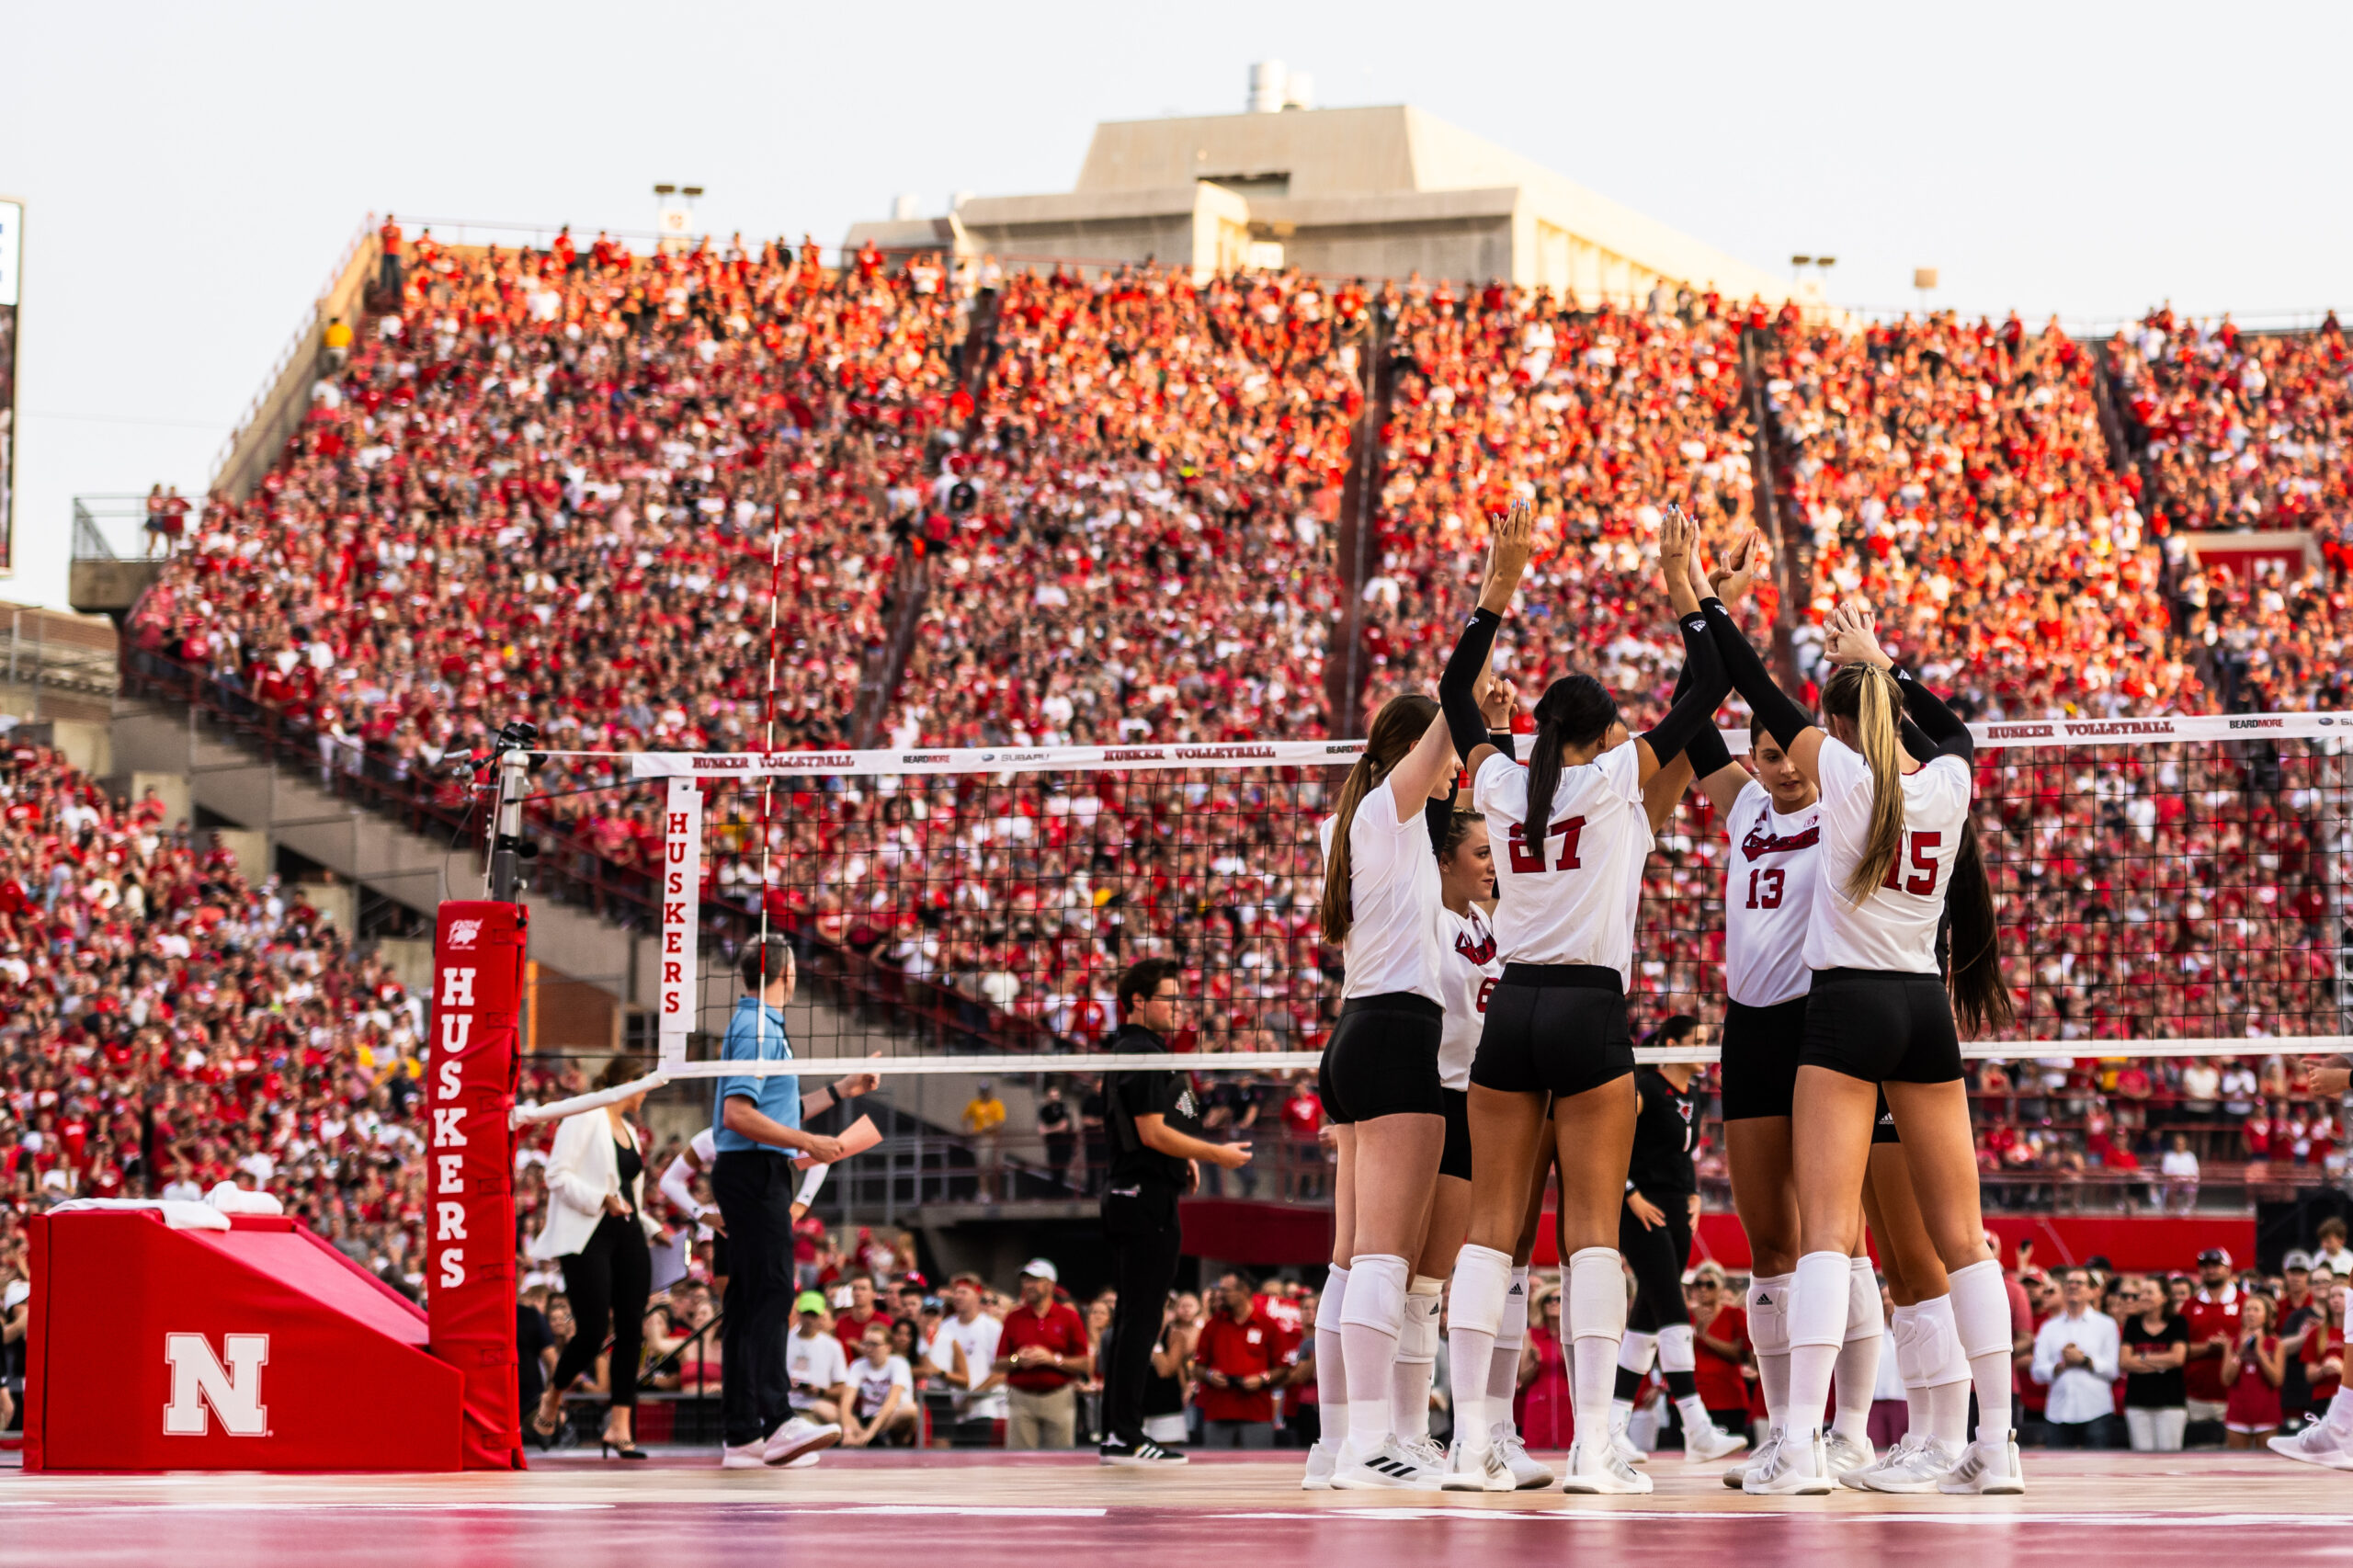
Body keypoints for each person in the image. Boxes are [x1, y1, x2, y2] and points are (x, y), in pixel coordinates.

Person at [1437, 502, 1730, 1495]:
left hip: (1509, 1010)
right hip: (1590, 1008)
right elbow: (1716, 685)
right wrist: (1690, 588)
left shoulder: (1499, 779)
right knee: (1593, 1229)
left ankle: (1470, 1440)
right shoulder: (1618, 775)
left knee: (1491, 1229)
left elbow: (1453, 696)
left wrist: (1497, 590)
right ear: (1605, 727)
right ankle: (1595, 1447)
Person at [1707, 592, 2022, 1495]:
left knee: (1820, 1240)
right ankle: (1993, 1446)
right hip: (1923, 1009)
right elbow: (1952, 730)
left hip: (1846, 1010)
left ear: (1839, 724)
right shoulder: (1946, 783)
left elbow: (1753, 685)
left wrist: (1704, 604)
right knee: (1965, 1238)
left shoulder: (1842, 774)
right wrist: (1883, 662)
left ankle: (1803, 1444)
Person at [1309, 627, 1470, 1489]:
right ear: (1411, 754)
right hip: (1395, 1033)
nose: (1449, 772)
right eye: (1437, 758)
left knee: (1351, 1262)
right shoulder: (1384, 809)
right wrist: (1490, 604)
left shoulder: (1383, 824)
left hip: (1357, 1033)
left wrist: (1494, 727)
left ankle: (1336, 1445)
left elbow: (1462, 785)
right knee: (1383, 1260)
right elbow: (1448, 722)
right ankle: (1372, 1448)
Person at [1098, 957, 1250, 1466]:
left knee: (1131, 1319)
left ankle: (1118, 1433)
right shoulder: (1139, 1052)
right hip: (1143, 1199)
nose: (1178, 1007)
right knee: (1140, 1322)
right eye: (1168, 997)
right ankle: (1124, 1434)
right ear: (1138, 1002)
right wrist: (1217, 1155)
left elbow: (1159, 1126)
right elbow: (1150, 1132)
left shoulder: (1148, 1052)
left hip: (1133, 1194)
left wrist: (1185, 1152)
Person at [710, 937, 847, 1470]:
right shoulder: (759, 1028)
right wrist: (807, 1144)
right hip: (753, 1170)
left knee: (747, 1302)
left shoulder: (764, 1027)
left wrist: (841, 1091)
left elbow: (776, 1112)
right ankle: (776, 1421)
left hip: (754, 1169)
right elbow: (738, 1115)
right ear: (785, 974)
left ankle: (743, 1433)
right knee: (769, 1293)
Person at [1608, 1020, 1747, 1464]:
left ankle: (1610, 1429)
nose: (1705, 1050)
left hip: (1677, 1209)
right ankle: (1696, 1426)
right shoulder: (1644, 1087)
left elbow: (1684, 1153)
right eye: (1697, 1042)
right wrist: (1629, 1194)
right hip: (1641, 1210)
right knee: (1672, 1309)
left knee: (1646, 1322)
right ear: (1670, 1046)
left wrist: (1693, 1194)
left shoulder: (1695, 1093)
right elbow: (1609, 1143)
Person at [528, 1055, 662, 1459]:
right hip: (588, 1233)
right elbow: (557, 1175)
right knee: (590, 1330)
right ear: (624, 1082)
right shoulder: (584, 1116)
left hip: (629, 1234)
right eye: (643, 1084)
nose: (645, 1094)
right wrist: (599, 1199)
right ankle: (553, 1396)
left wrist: (655, 1229)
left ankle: (619, 1425)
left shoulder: (631, 1131)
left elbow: (630, 1195)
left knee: (632, 1329)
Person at [998, 1257, 1092, 1448]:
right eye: (1026, 1280)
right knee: (1018, 1462)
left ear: (1050, 1285)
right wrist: (1017, 1359)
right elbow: (998, 1362)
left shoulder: (1069, 1318)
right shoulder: (1014, 1317)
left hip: (1058, 1396)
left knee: (1060, 1461)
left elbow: (1085, 1363)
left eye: (1034, 1280)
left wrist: (1053, 1359)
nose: (1028, 1285)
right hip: (1021, 1398)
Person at [2029, 1267, 2121, 1449]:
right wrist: (2060, 1366)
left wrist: (2085, 1361)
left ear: (2091, 1291)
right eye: (2069, 1283)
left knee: (2098, 1471)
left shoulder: (2106, 1325)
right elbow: (2037, 1372)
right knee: (2058, 1473)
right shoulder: (2049, 1327)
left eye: (2079, 1283)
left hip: (2096, 1410)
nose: (2073, 1286)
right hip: (2058, 1411)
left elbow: (2113, 1370)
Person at [1195, 1271, 1284, 1448]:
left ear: (1243, 1291)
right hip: (1218, 1411)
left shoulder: (1268, 1326)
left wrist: (1262, 1379)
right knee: (1214, 1469)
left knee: (1259, 1470)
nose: (1218, 1295)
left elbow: (1283, 1369)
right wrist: (1210, 1375)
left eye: (1224, 1291)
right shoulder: (1212, 1326)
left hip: (1256, 1412)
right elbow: (1198, 1368)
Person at [929, 1272, 1008, 1438]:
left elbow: (1001, 1371)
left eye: (963, 1292)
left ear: (977, 1296)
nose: (957, 1296)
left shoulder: (992, 1328)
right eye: (955, 1292)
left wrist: (971, 1396)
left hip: (982, 1407)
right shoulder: (944, 1327)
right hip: (950, 1409)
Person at [2119, 1274, 2191, 1450]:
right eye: (2142, 1293)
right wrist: (2161, 1362)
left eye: (2149, 1292)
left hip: (2171, 1403)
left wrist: (2142, 1357)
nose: (2143, 1297)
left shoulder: (2177, 1322)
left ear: (2164, 1297)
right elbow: (2125, 1362)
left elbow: (2177, 1358)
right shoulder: (2133, 1323)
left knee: (2169, 1457)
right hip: (2137, 1402)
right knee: (2142, 1460)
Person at [2182, 1246, 2243, 1442]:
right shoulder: (2189, 1306)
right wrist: (2208, 1347)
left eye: (2216, 1265)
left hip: (2234, 1395)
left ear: (2228, 1269)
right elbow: (2179, 1349)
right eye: (2205, 1266)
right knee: (2196, 1455)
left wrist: (2228, 1346)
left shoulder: (2245, 1302)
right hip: (2196, 1395)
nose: (2210, 1270)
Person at [2222, 1291, 2286, 1448]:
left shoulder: (2275, 1344)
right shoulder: (2232, 1343)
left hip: (2266, 1412)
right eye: (2247, 1309)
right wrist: (2240, 1352)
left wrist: (2260, 1353)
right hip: (2238, 1412)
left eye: (2256, 1310)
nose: (2250, 1314)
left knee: (2266, 1465)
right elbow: (2226, 1379)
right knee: (2236, 1462)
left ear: (2266, 1316)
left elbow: (2277, 1379)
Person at [842, 1322, 918, 1448]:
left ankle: (872, 1438)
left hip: (890, 1419)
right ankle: (859, 1437)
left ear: (888, 1347)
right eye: (866, 1343)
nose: (869, 1349)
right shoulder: (857, 1365)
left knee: (910, 1410)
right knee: (825, 1408)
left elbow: (892, 1401)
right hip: (866, 1418)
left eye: (874, 1344)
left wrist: (870, 1433)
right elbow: (846, 1402)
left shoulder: (899, 1363)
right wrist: (847, 1432)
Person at [786, 1291, 851, 1427]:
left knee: (831, 1413)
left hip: (817, 1404)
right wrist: (785, 1383)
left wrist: (819, 1391)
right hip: (786, 1402)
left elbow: (841, 1388)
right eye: (805, 1314)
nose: (809, 1319)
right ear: (798, 1314)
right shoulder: (783, 1341)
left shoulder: (833, 1346)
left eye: (813, 1315)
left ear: (821, 1317)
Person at [962, 1082, 1006, 1202]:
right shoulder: (974, 1104)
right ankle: (984, 1193)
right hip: (981, 1139)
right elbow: (965, 1118)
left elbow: (1000, 1122)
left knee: (996, 1167)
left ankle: (993, 1192)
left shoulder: (996, 1104)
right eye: (982, 1091)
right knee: (982, 1167)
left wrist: (988, 1128)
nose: (984, 1094)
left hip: (994, 1138)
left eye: (986, 1091)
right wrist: (969, 1131)